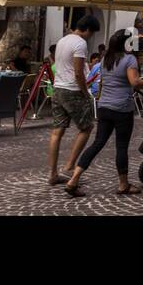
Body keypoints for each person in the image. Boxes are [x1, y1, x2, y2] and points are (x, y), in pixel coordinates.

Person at [65, 29, 143, 197]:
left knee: (97, 143)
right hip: (122, 108)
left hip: (104, 107)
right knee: (121, 146)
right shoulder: (129, 59)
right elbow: (134, 82)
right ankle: (123, 184)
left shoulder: (105, 60)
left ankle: (74, 179)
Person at [47, 14, 99, 187]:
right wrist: (85, 92)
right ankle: (70, 165)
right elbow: (78, 72)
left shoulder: (62, 40)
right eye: (91, 33)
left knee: (57, 131)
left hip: (58, 88)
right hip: (72, 90)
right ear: (88, 30)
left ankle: (53, 173)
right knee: (87, 127)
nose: (91, 37)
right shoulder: (80, 43)